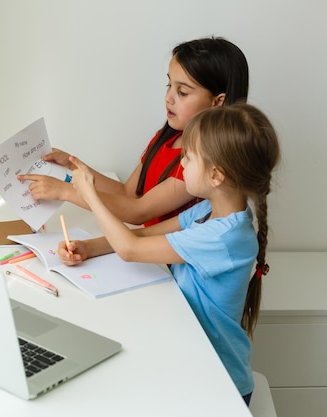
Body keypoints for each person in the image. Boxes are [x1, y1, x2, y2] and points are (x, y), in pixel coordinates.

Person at [59, 103, 281, 405]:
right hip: (192, 361)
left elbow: (130, 249)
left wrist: (90, 195)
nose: (182, 165)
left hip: (219, 384)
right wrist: (89, 248)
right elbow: (142, 236)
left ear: (216, 175)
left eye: (188, 157)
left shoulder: (223, 237)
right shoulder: (209, 211)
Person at [18, 37, 250, 226]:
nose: (168, 97)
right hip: (142, 250)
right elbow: (129, 193)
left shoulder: (200, 164)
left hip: (166, 266)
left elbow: (138, 213)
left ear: (218, 102)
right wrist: (73, 166)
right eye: (169, 85)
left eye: (183, 92)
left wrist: (66, 191)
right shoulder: (166, 136)